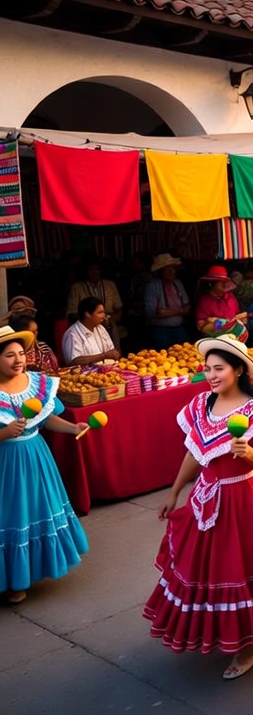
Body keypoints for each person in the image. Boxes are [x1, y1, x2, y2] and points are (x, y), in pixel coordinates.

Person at [143, 336, 253, 678]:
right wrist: (175, 492)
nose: (211, 375)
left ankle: (251, 644)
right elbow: (194, 453)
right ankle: (227, 633)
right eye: (207, 369)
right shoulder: (200, 405)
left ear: (237, 370)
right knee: (210, 568)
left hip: (244, 498)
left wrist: (249, 452)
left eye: (218, 368)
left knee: (242, 568)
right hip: (205, 497)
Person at [0, 324, 87, 604]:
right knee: (12, 516)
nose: (18, 360)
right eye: (9, 355)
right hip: (6, 465)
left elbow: (47, 418)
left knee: (36, 511)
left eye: (20, 354)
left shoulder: (36, 383)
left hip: (37, 457)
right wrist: (3, 433)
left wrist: (73, 429)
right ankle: (14, 581)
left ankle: (33, 571)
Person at [65, 258, 123, 349]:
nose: (95, 272)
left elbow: (119, 308)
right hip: (87, 328)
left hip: (110, 325)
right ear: (85, 271)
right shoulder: (77, 287)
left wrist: (108, 320)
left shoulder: (110, 284)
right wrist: (90, 319)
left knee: (115, 353)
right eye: (91, 269)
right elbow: (71, 314)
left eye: (97, 269)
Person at [144, 253, 192, 349]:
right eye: (168, 270)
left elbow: (187, 307)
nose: (172, 272)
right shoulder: (153, 286)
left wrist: (167, 312)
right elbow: (153, 312)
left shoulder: (177, 283)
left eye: (173, 269)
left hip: (179, 329)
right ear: (161, 271)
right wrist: (179, 311)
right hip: (161, 331)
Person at [61, 297, 120, 365]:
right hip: (83, 374)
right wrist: (104, 356)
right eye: (100, 313)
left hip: (106, 371)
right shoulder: (72, 334)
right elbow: (75, 361)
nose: (103, 316)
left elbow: (111, 351)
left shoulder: (101, 328)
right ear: (87, 314)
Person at [195, 265, 246, 337]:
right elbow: (202, 328)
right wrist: (222, 323)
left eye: (225, 281)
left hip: (233, 338)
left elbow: (236, 316)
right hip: (213, 341)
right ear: (212, 283)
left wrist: (241, 319)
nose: (225, 284)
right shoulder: (204, 300)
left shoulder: (230, 296)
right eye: (221, 281)